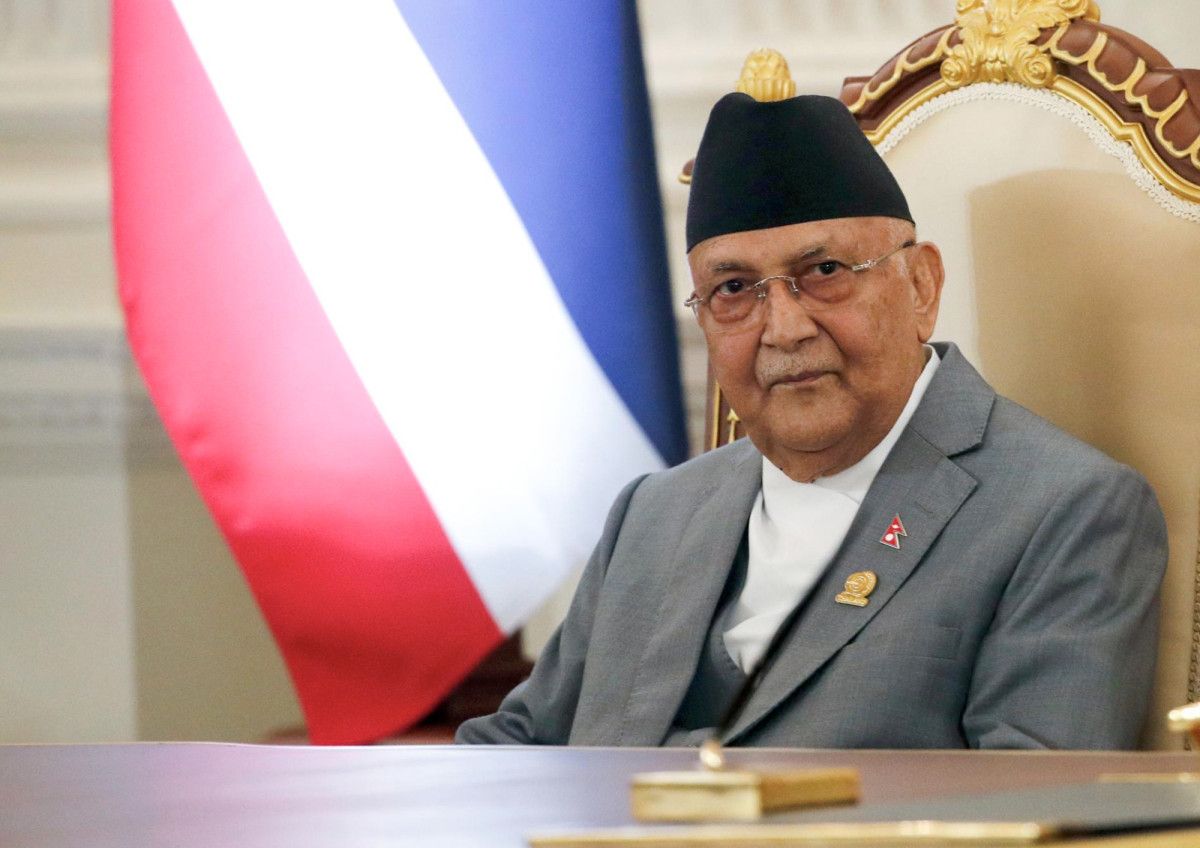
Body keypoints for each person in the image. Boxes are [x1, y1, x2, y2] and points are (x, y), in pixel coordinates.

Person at [456, 92, 1167, 749]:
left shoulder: (1065, 509)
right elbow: (516, 746)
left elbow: (1029, 800)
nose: (785, 328)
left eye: (825, 272)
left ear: (921, 287)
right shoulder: (654, 513)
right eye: (735, 289)